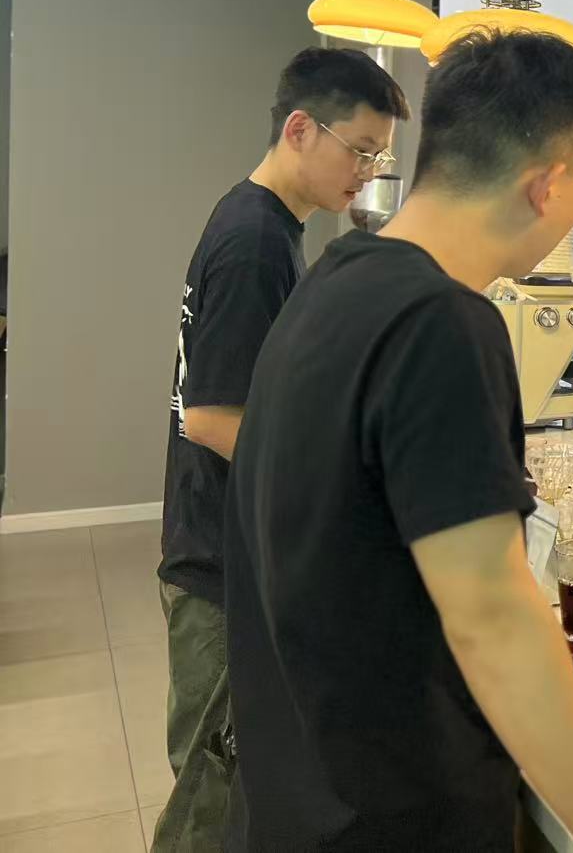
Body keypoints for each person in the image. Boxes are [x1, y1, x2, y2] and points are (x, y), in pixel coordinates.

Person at [222, 30, 573, 853]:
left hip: (296, 790)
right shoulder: (443, 323)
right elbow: (492, 616)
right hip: (391, 814)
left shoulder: (336, 277)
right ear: (546, 185)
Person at [155, 48, 409, 853]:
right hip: (220, 563)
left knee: (236, 792)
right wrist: (335, 482)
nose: (366, 174)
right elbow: (209, 418)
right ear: (301, 129)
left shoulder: (268, 226)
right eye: (359, 150)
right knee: (209, 797)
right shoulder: (254, 241)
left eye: (378, 157)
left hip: (227, 550)